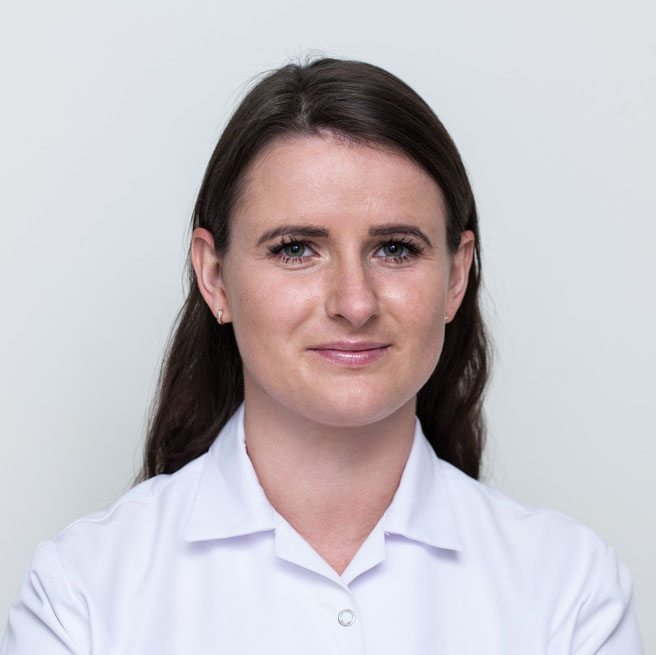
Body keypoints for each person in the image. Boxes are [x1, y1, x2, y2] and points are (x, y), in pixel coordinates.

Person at [1, 58, 643, 654]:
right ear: (215, 277)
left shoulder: (568, 589)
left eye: (395, 248)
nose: (354, 303)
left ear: (456, 277)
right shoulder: (82, 593)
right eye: (295, 249)